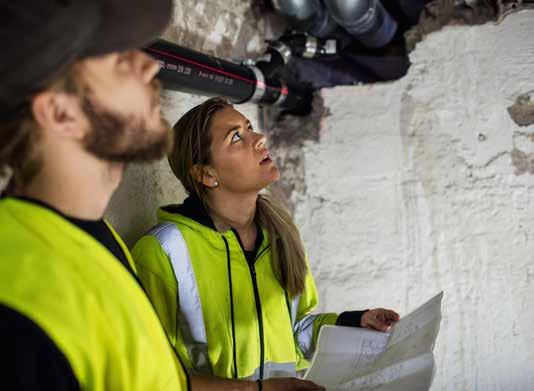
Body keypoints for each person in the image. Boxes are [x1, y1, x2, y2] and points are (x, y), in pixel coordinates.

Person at [0, 1, 322, 390]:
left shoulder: (92, 239)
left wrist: (260, 389)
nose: (150, 67)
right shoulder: (21, 293)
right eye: (119, 60)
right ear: (60, 113)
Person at [131, 97, 400, 382]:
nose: (259, 138)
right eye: (237, 137)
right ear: (206, 174)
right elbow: (149, 373)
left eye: (250, 128)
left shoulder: (281, 235)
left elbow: (294, 334)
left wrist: (353, 322)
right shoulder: (163, 252)